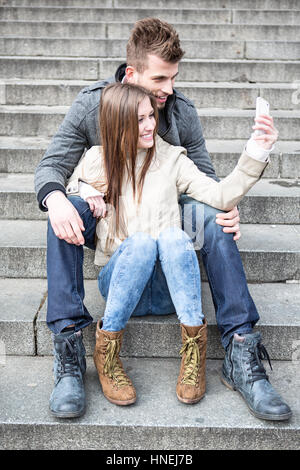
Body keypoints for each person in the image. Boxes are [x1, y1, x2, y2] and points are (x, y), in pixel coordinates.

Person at [34, 18, 292, 421]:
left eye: (174, 78)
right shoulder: (93, 105)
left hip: (170, 221)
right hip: (113, 228)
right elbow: (57, 166)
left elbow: (205, 182)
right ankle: (69, 349)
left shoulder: (178, 118)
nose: (169, 90)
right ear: (132, 73)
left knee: (211, 218)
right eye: (161, 78)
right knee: (62, 213)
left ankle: (240, 350)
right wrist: (65, 196)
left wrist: (228, 199)